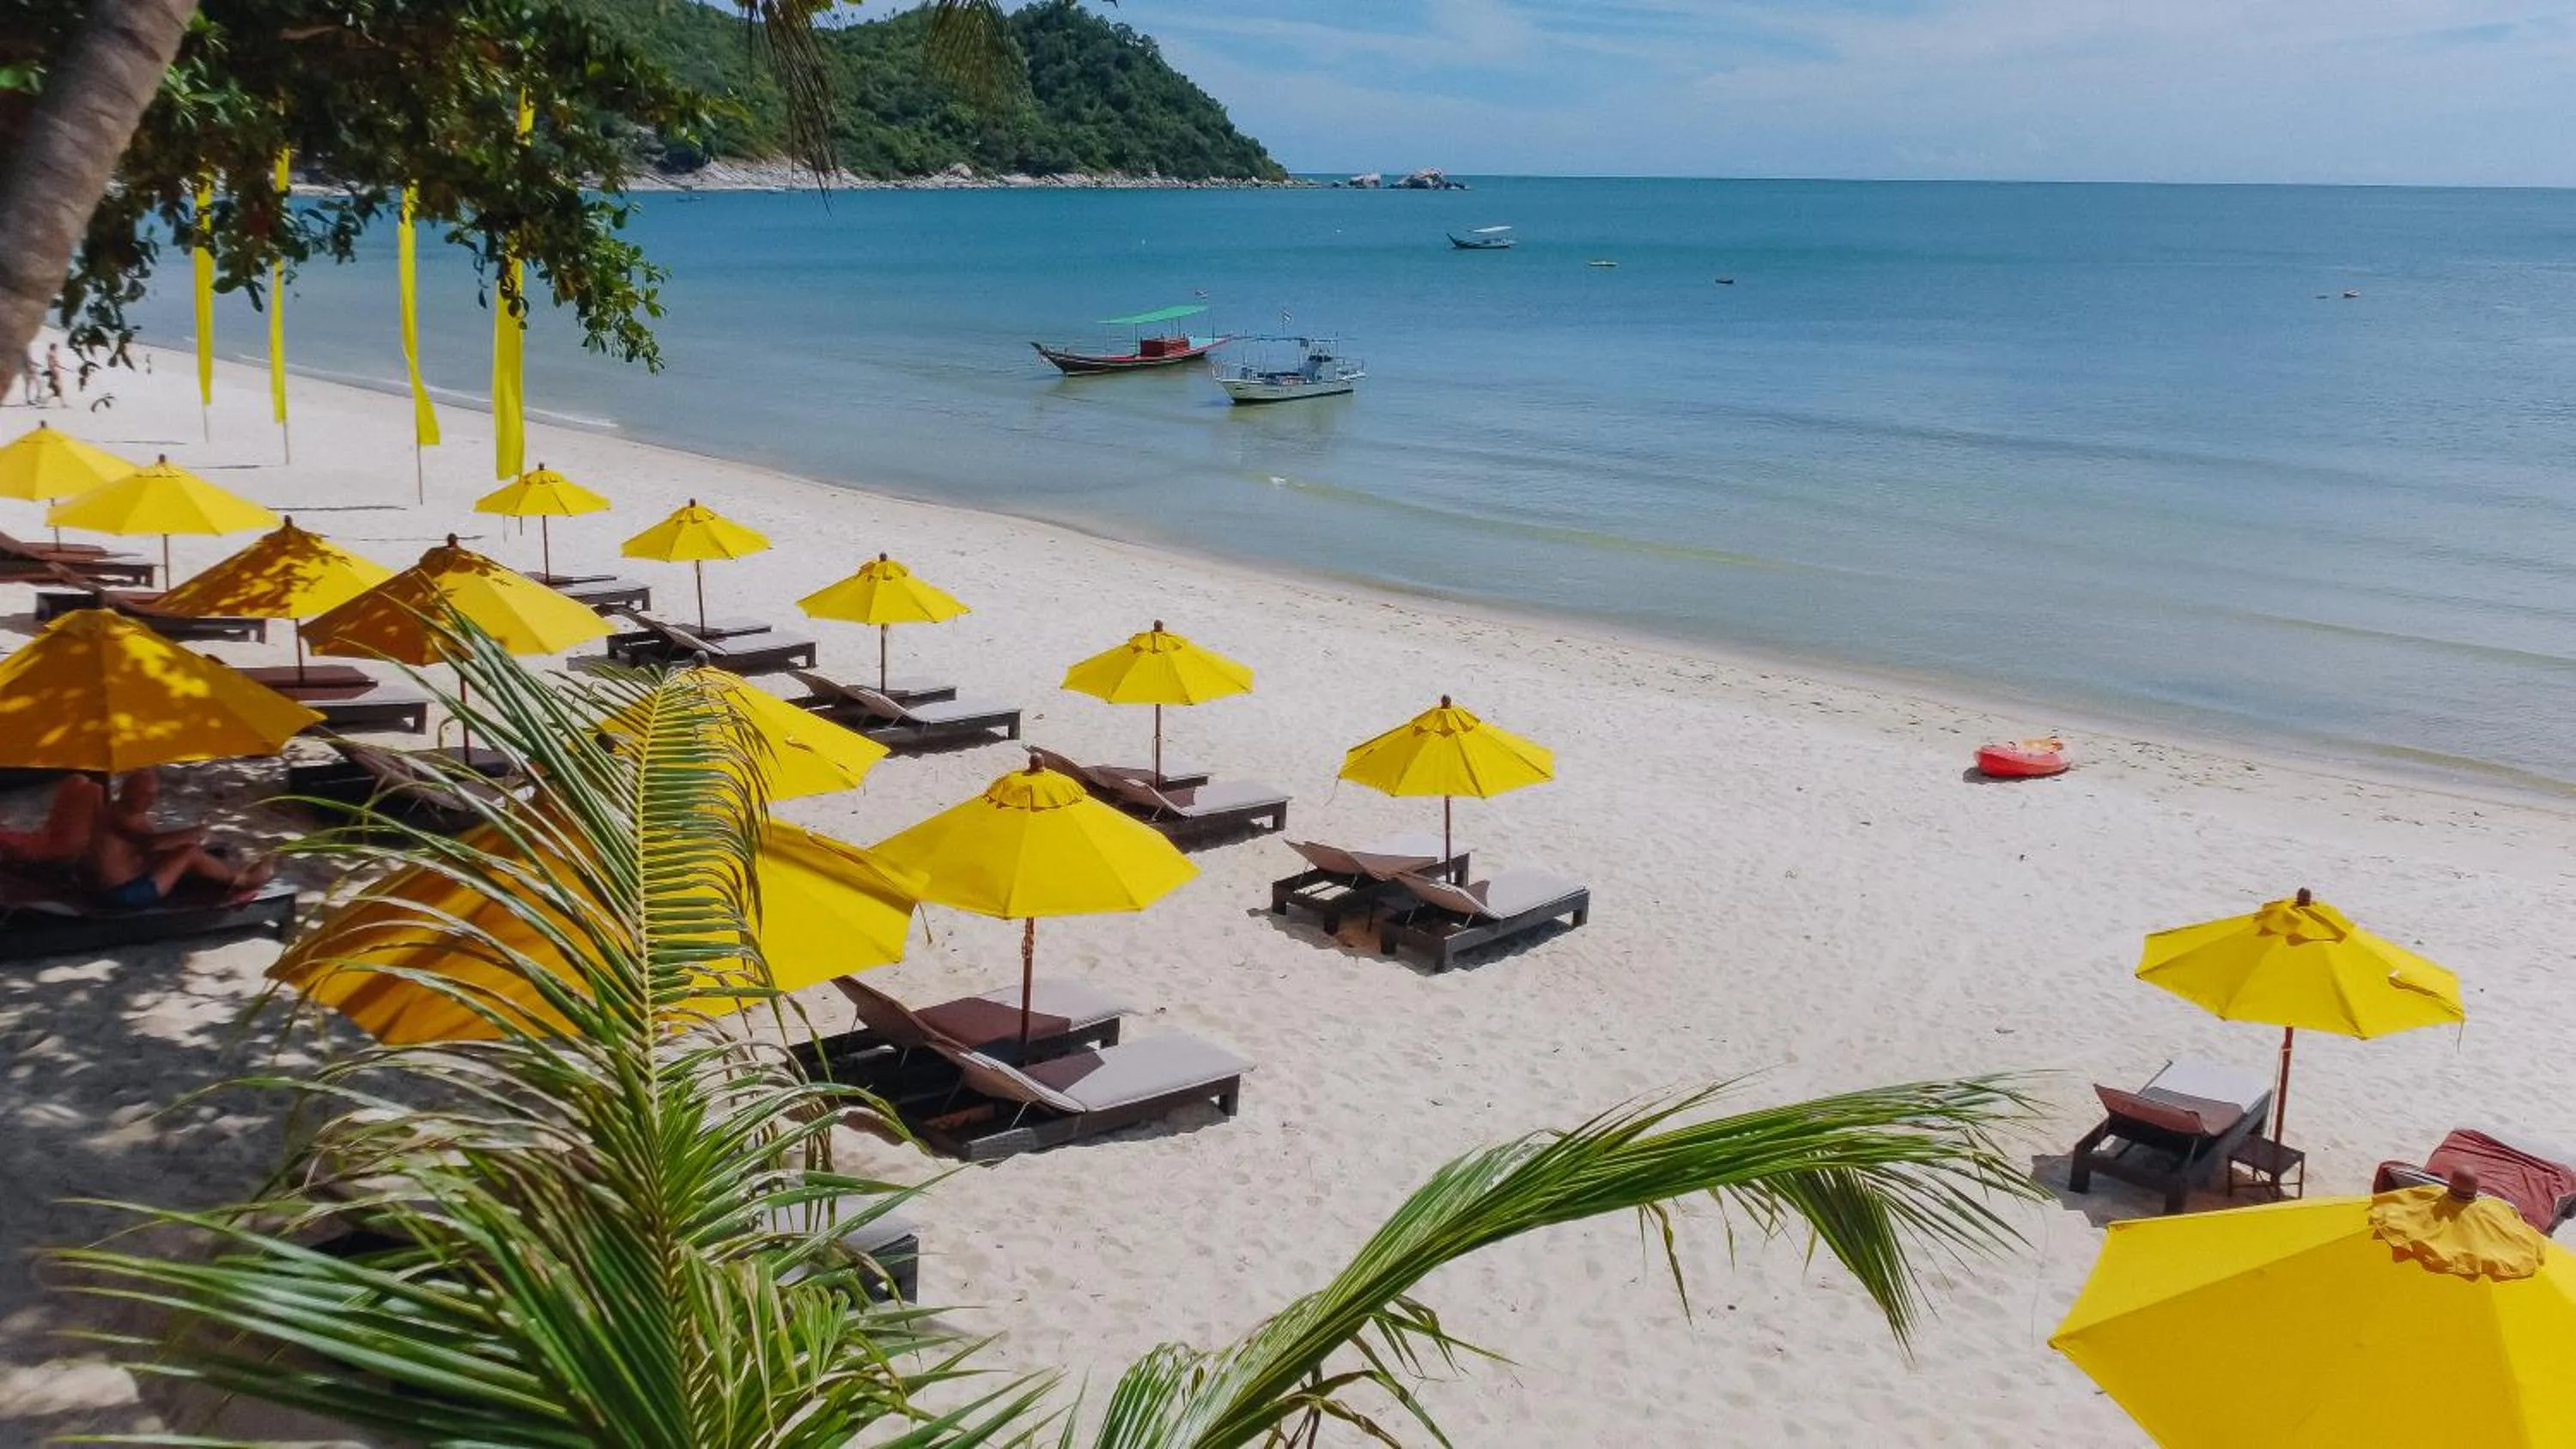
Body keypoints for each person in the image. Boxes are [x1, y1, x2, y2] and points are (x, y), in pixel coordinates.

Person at [0, 772, 273, 907]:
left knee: (186, 853)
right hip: (122, 894)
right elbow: (151, 844)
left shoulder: (122, 812)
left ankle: (225, 872)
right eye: (147, 795)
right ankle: (241, 880)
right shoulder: (121, 817)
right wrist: (194, 833)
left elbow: (145, 846)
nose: (150, 800)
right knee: (189, 852)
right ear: (135, 795)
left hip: (111, 882)